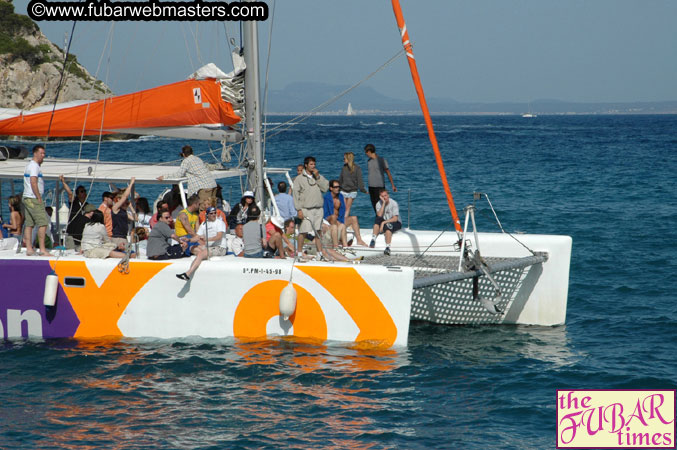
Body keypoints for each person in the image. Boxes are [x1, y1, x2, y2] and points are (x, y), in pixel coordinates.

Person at [293, 156, 329, 256]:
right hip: (306, 209)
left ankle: (319, 254)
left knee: (318, 232)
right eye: (311, 164)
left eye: (314, 164)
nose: (313, 166)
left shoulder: (318, 176)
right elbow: (295, 195)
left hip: (318, 208)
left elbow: (325, 188)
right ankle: (299, 253)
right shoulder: (299, 179)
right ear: (306, 165)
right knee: (303, 231)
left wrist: (318, 177)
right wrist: (298, 210)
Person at [22, 145, 51, 256]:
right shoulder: (34, 166)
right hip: (33, 197)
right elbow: (33, 182)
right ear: (35, 153)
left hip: (27, 197)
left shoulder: (29, 165)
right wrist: (38, 197)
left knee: (29, 224)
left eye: (44, 153)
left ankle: (29, 248)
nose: (43, 156)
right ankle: (42, 249)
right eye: (41, 153)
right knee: (43, 223)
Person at [59, 176, 91, 246]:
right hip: (72, 231)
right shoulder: (75, 202)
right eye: (82, 191)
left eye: (85, 191)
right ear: (78, 194)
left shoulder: (87, 205)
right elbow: (70, 194)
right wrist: (63, 182)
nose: (84, 193)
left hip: (82, 233)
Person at [364, 143, 396, 212]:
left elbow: (388, 173)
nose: (365, 154)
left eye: (366, 152)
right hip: (371, 187)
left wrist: (392, 185)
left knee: (381, 206)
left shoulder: (381, 160)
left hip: (379, 187)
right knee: (375, 207)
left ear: (369, 151)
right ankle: (379, 221)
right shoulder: (369, 161)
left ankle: (383, 221)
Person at [370, 189, 402, 256]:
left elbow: (395, 218)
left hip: (396, 222)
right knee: (377, 221)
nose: (385, 197)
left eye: (385, 195)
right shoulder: (378, 204)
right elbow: (379, 215)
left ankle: (388, 247)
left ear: (388, 195)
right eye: (382, 196)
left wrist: (384, 223)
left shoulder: (394, 203)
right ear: (380, 197)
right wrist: (383, 203)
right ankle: (373, 239)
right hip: (385, 220)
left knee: (388, 226)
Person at [338, 152, 367, 219]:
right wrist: (337, 188)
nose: (343, 160)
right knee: (343, 208)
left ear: (348, 159)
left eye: (344, 158)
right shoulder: (344, 168)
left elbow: (360, 180)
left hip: (352, 191)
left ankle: (344, 223)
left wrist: (363, 190)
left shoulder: (357, 168)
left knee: (347, 208)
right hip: (343, 190)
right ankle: (346, 222)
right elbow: (340, 179)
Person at [111, 178, 136, 246]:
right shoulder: (115, 208)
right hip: (117, 237)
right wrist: (131, 183)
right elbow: (125, 196)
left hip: (123, 237)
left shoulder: (124, 212)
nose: (125, 202)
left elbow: (135, 219)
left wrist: (131, 207)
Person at [323, 179, 347, 248]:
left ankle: (345, 247)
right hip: (328, 219)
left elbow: (343, 210)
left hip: (338, 219)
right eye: (335, 187)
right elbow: (325, 213)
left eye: (338, 187)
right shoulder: (326, 198)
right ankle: (336, 245)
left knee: (351, 220)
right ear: (331, 188)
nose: (337, 188)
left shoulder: (341, 196)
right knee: (333, 217)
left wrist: (340, 221)